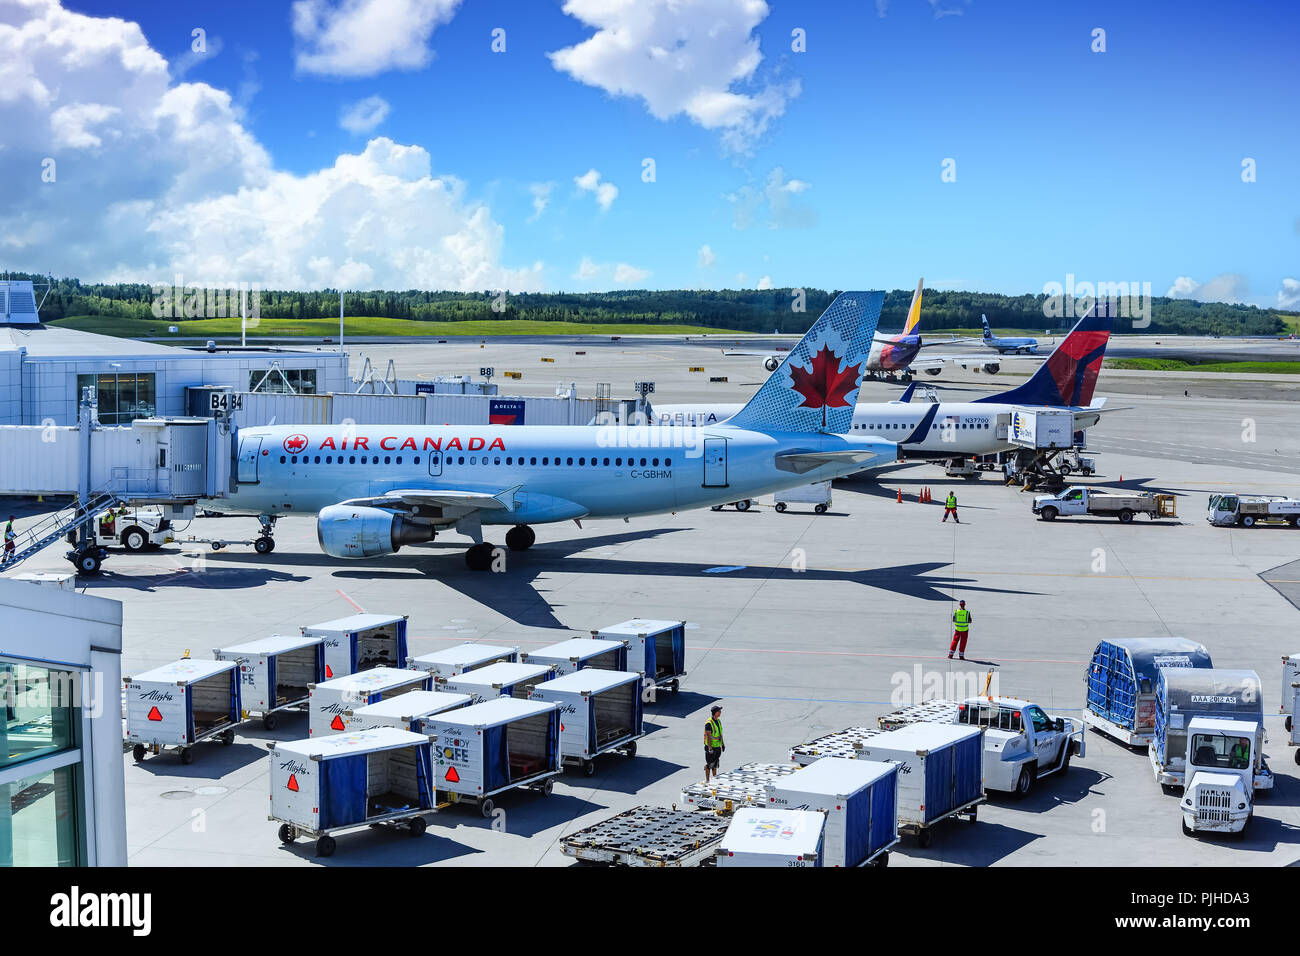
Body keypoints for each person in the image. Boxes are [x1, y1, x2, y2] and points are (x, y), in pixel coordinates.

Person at [703, 704, 725, 783]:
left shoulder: (718, 721)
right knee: (710, 765)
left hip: (717, 746)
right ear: (715, 713)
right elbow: (708, 736)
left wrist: (722, 744)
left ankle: (714, 779)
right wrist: (710, 748)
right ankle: (707, 781)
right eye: (719, 711)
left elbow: (720, 733)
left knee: (715, 764)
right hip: (711, 747)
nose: (720, 712)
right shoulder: (709, 723)